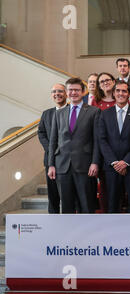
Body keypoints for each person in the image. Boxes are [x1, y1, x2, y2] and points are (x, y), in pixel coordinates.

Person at [48, 78, 101, 213]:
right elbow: (53, 141)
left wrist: (95, 162)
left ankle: (88, 233)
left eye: (77, 90)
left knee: (86, 205)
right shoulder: (59, 113)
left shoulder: (93, 111)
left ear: (83, 92)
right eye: (70, 90)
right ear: (66, 92)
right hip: (62, 165)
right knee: (66, 206)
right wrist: (51, 165)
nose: (73, 93)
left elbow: (97, 140)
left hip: (84, 165)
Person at [98, 80, 130, 213]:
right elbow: (102, 140)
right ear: (113, 93)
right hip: (111, 167)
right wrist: (114, 162)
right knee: (112, 202)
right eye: (118, 91)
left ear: (129, 94)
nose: (121, 93)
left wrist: (126, 162)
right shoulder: (104, 114)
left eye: (124, 91)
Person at [38, 83, 67, 214]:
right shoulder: (46, 114)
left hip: (67, 160)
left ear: (66, 93)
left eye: (60, 91)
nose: (57, 94)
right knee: (53, 195)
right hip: (51, 160)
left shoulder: (72, 111)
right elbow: (41, 133)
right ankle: (53, 221)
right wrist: (50, 149)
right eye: (54, 91)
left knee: (68, 195)